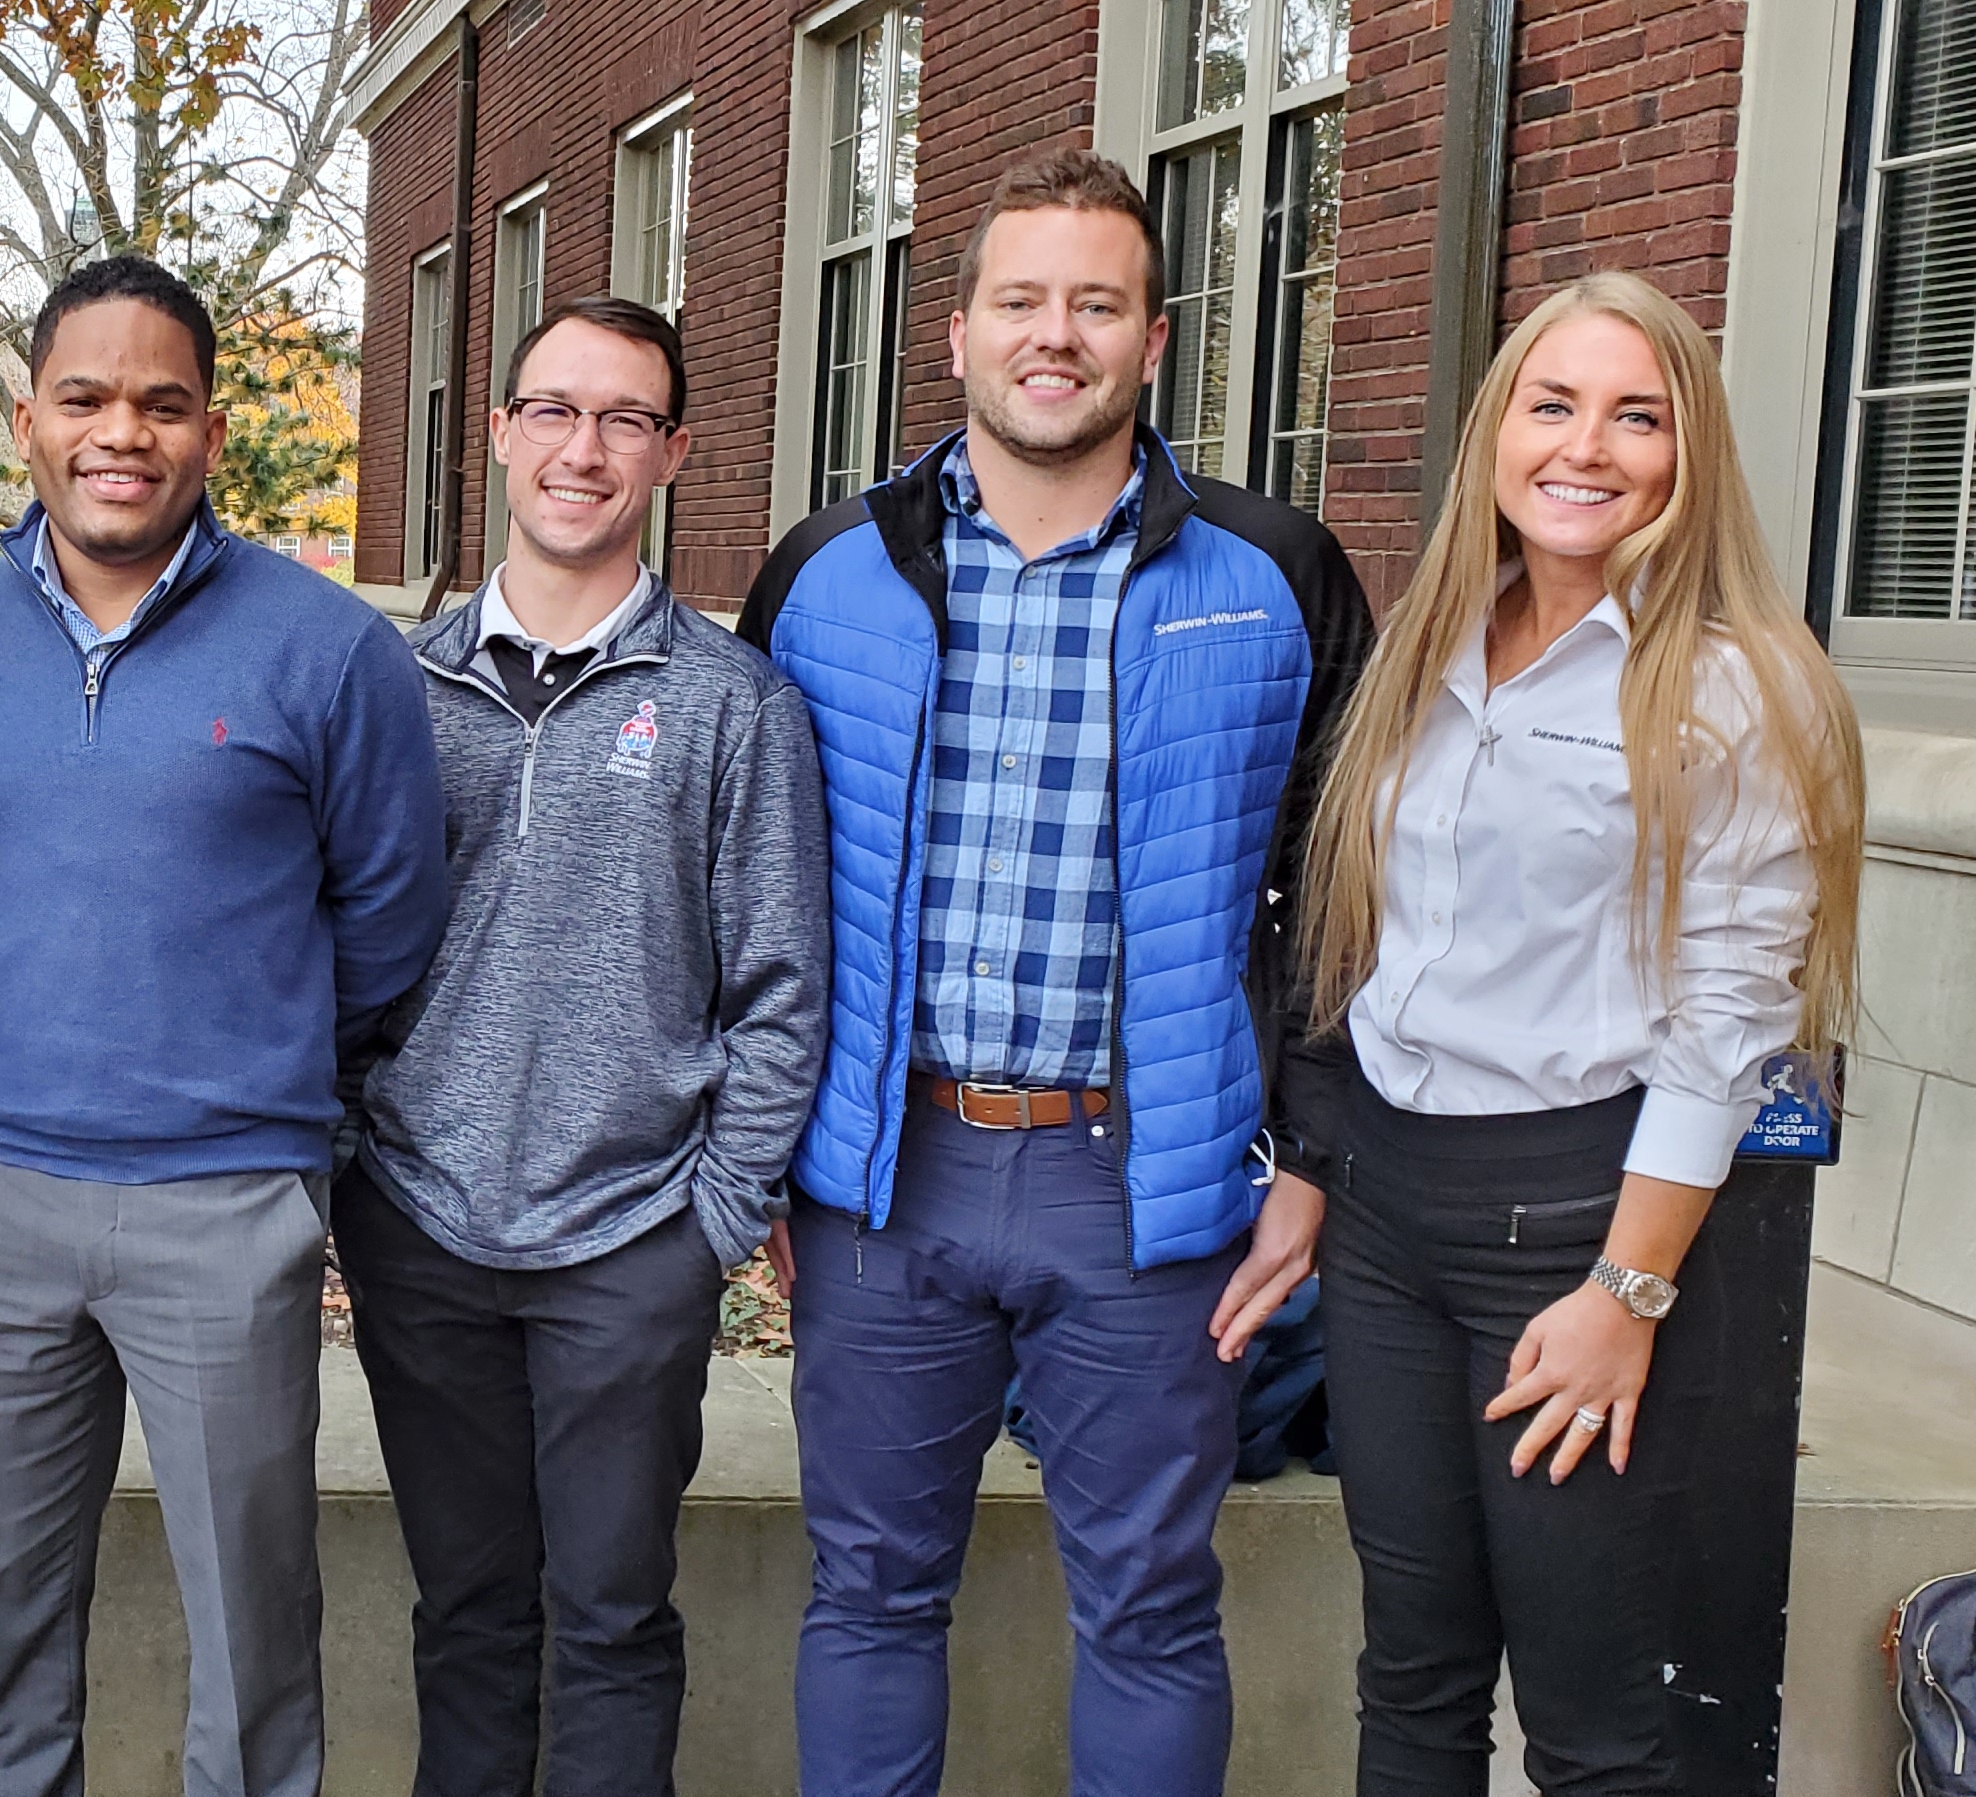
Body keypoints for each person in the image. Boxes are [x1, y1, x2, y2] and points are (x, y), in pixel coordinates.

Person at [734, 145, 1373, 1797]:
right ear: (953, 333)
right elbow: (746, 887)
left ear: (1155, 339)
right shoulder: (825, 573)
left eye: (1098, 304)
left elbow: (1352, 895)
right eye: (1021, 299)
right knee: (871, 1593)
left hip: (1146, 1179)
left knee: (1153, 1607)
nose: (1056, 335)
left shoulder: (1276, 572)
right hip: (888, 1175)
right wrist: (769, 1162)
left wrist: (1309, 1159)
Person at [1287, 271, 1861, 1797]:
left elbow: (1733, 1027)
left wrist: (1629, 1289)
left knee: (1596, 1718)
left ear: (1690, 454)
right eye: (1553, 405)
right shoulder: (1432, 645)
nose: (1586, 448)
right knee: (1411, 1668)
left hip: (1573, 1220)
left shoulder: (1742, 690)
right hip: (1390, 1218)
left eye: (1638, 416)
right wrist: (1325, 1168)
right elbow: (1362, 940)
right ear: (1496, 432)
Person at [0, 252, 450, 1797]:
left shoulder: (327, 650)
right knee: (2, 1647)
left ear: (210, 430)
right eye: (84, 397)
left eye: (161, 401)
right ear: (27, 423)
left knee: (256, 1647)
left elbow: (389, 912)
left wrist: (252, 1067)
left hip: (229, 1211)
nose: (119, 431)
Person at [347, 293, 828, 1796]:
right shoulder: (392, 691)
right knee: (469, 1613)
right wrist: (355, 1168)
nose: (584, 447)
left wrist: (713, 1222)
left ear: (674, 453)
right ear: (496, 434)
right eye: (553, 409)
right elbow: (325, 953)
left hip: (632, 1241)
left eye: (626, 417)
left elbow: (782, 988)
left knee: (613, 1617)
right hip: (422, 1225)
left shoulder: (733, 705)